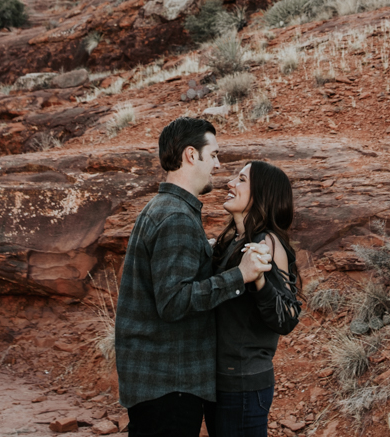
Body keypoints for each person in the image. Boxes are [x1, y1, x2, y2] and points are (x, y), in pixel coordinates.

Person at [115, 117, 273, 437]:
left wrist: (203, 250)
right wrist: (239, 275)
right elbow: (173, 301)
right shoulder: (176, 217)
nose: (217, 164)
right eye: (213, 154)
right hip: (169, 384)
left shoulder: (162, 208)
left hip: (155, 382)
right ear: (191, 155)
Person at [208, 161, 302, 437]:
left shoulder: (267, 242)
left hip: (243, 386)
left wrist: (258, 280)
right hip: (220, 382)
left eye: (241, 180)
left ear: (261, 193)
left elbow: (286, 318)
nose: (230, 184)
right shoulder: (233, 242)